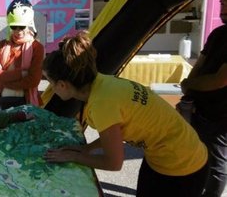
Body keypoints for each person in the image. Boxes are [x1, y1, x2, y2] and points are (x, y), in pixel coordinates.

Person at [42, 31, 209, 197]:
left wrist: (73, 157)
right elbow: (115, 131)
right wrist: (86, 149)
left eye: (50, 82)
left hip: (183, 166)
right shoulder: (104, 82)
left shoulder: (101, 103)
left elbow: (114, 163)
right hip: (168, 153)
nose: (51, 88)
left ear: (62, 85)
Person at [181, 0, 227, 197]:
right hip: (200, 108)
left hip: (220, 115)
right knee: (197, 154)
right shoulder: (218, 34)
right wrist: (188, 85)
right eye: (222, 3)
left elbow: (220, 80)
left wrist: (191, 85)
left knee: (217, 164)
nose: (223, 9)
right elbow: (201, 63)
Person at [0, 0, 45, 109]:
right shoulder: (2, 45)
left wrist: (5, 81)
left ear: (29, 24)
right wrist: (22, 74)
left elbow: (34, 80)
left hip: (27, 102)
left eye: (22, 26)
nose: (18, 31)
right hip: (3, 101)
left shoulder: (36, 47)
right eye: (14, 27)